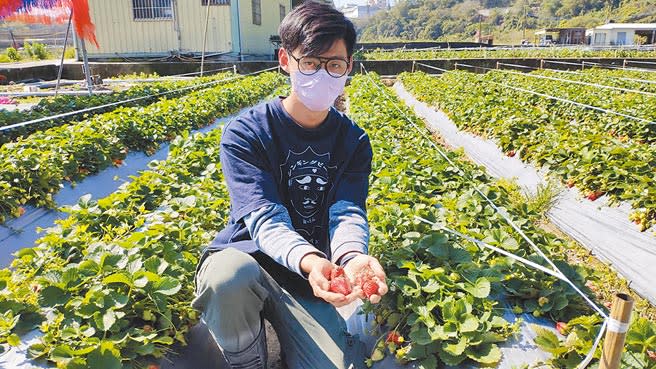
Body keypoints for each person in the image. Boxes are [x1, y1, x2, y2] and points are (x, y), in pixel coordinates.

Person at [191, 2, 388, 369]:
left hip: (306, 278)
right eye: (311, 62)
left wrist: (352, 258)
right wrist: (312, 261)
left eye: (335, 64)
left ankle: (289, 329)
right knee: (227, 277)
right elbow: (266, 220)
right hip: (250, 258)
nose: (323, 73)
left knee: (334, 365)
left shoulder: (354, 142)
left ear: (349, 69)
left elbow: (347, 212)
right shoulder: (247, 133)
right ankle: (248, 361)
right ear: (286, 59)